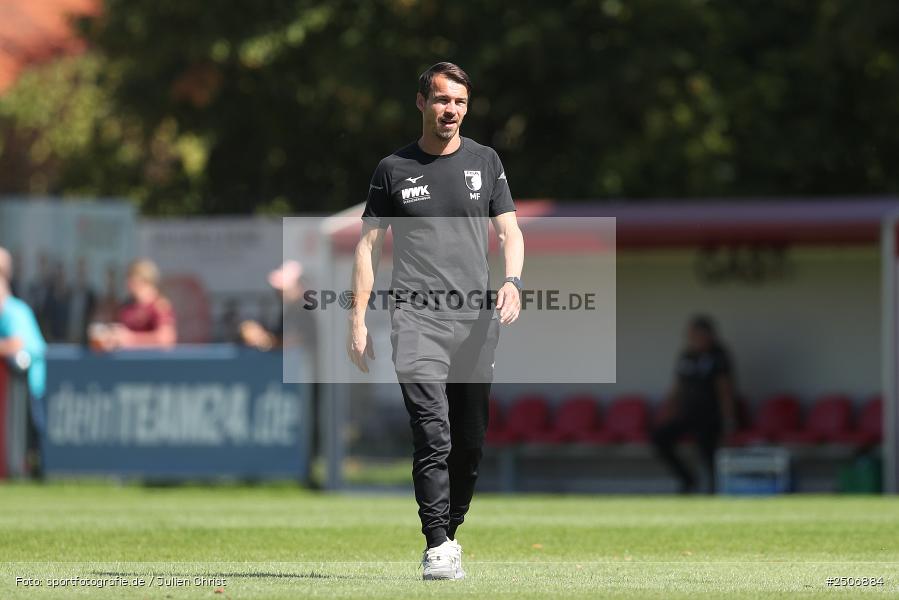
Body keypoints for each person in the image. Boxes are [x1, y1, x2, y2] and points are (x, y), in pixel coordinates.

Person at [347, 62, 524, 580]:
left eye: (461, 103)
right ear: (421, 102)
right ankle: (437, 543)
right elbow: (367, 247)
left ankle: (452, 527)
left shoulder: (486, 161)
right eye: (443, 100)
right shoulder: (392, 169)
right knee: (433, 432)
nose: (452, 111)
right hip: (415, 319)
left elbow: (511, 233)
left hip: (475, 323)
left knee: (469, 442)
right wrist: (356, 321)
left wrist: (512, 281)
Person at [651, 315, 738, 494]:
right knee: (660, 437)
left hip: (710, 416)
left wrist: (728, 421)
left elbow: (725, 390)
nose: (692, 338)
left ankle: (714, 490)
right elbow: (677, 387)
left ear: (708, 334)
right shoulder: (687, 355)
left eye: (696, 334)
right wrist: (667, 411)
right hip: (687, 414)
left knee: (708, 451)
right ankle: (687, 480)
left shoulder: (718, 356)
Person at [0, 259, 48, 478]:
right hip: (19, 384)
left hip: (31, 380)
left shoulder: (12, 311)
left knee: (36, 430)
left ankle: (39, 471)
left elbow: (17, 344)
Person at [92, 259, 177, 350]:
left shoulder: (159, 305)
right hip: (126, 360)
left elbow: (166, 339)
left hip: (149, 361)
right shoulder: (127, 305)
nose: (127, 283)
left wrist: (132, 338)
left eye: (131, 279)